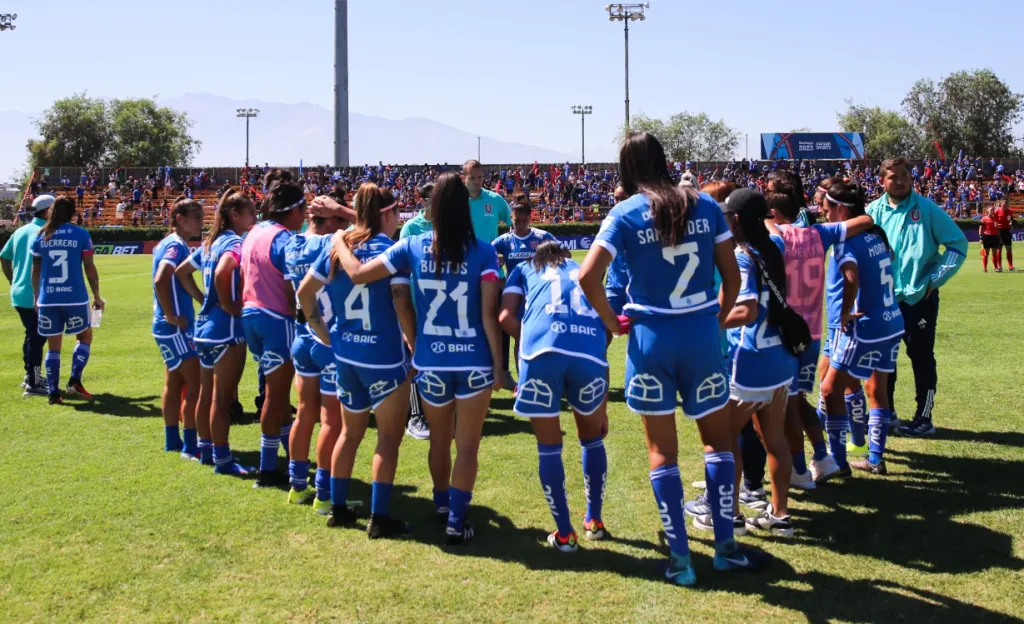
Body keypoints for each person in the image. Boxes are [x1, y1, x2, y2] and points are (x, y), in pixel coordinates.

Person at [579, 132, 757, 587]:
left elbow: (587, 276)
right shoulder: (705, 205)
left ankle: (680, 560)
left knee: (663, 452)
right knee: (717, 444)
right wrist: (715, 318)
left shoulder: (624, 213)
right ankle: (726, 549)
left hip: (650, 339)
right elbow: (732, 277)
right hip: (699, 334)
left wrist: (611, 322)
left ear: (627, 169)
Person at [332, 171, 504, 545]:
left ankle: (442, 503)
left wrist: (340, 240)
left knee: (439, 440)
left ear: (432, 208)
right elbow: (490, 316)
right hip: (473, 360)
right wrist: (499, 367)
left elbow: (359, 274)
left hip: (430, 362)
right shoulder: (485, 252)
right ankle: (457, 520)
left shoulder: (412, 246)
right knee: (468, 445)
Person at [300, 183, 415, 538]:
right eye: (397, 212)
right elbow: (400, 301)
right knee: (388, 440)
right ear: (387, 214)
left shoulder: (340, 249)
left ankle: (337, 508)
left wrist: (324, 333)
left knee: (349, 433)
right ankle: (379, 518)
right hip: (383, 357)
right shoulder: (393, 251)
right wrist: (415, 344)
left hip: (345, 356)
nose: (399, 219)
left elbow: (305, 293)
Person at [499, 241, 610, 552]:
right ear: (564, 256)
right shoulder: (584, 269)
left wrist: (534, 337)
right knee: (592, 439)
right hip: (589, 354)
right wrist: (604, 406)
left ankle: (565, 534)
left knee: (549, 447)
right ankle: (595, 521)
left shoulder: (523, 268)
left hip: (541, 353)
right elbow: (607, 328)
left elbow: (506, 317)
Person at [766, 173, 874, 486]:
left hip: (784, 334)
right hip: (812, 333)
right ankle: (822, 457)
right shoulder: (819, 234)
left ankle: (799, 468)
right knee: (799, 399)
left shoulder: (775, 237)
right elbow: (865, 220)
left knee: (786, 405)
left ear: (773, 214)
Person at [716, 189, 800, 537]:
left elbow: (747, 310)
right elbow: (774, 229)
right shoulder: (773, 246)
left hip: (751, 360)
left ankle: (728, 512)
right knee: (775, 439)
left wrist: (711, 320)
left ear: (737, 220)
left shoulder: (741, 255)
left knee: (723, 437)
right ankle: (779, 516)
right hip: (781, 356)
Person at [866, 158, 967, 437]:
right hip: (883, 301)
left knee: (921, 357)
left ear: (912, 177)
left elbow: (958, 244)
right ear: (881, 181)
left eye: (905, 175)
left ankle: (924, 418)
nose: (900, 181)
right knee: (885, 360)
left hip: (918, 300)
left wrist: (934, 281)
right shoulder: (872, 212)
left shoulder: (927, 209)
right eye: (893, 177)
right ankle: (887, 413)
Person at [820, 180, 904, 476]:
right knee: (876, 389)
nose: (822, 212)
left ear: (840, 210)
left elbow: (852, 278)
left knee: (830, 390)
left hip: (863, 325)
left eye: (825, 207)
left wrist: (844, 312)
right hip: (891, 321)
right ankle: (875, 458)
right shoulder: (875, 235)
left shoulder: (845, 241)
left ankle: (838, 463)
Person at [176, 191, 257, 473]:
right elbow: (225, 272)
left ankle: (206, 450)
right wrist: (227, 303)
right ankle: (223, 460)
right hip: (227, 331)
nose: (255, 217)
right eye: (251, 212)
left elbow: (182, 272)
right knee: (222, 400)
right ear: (235, 214)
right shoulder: (235, 242)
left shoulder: (210, 242)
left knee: (205, 394)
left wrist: (204, 300)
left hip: (204, 328)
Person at [282, 196, 347, 510]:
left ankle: (297, 486)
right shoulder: (329, 243)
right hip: (326, 338)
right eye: (338, 219)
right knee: (331, 421)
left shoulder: (291, 245)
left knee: (304, 411)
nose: (344, 224)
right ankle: (324, 494)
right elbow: (371, 224)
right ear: (329, 221)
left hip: (301, 337)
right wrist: (341, 209)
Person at [241, 182, 307, 488]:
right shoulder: (284, 238)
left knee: (275, 394)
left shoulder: (253, 231)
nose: (305, 216)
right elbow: (292, 286)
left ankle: (291, 457)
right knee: (276, 395)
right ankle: (268, 469)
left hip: (251, 315)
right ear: (293, 211)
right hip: (275, 317)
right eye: (303, 211)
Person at [30, 197, 103, 405]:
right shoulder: (80, 234)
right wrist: (97, 296)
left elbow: (35, 270)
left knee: (53, 347)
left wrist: (36, 297)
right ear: (73, 213)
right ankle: (74, 381)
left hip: (48, 299)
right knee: (85, 336)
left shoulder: (41, 235)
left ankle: (54, 392)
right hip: (75, 297)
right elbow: (89, 266)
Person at [151, 198, 206, 457]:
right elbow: (162, 278)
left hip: (164, 327)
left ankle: (172, 440)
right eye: (196, 217)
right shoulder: (175, 245)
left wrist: (201, 299)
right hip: (175, 327)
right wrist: (172, 315)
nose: (201, 222)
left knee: (173, 383)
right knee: (196, 384)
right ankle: (190, 446)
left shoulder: (167, 243)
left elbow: (180, 281)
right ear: (180, 219)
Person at [492, 194, 557, 388]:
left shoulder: (542, 237)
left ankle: (545, 378)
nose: (520, 224)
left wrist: (547, 262)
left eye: (524, 220)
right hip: (515, 299)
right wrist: (499, 268)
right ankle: (524, 382)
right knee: (520, 338)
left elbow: (564, 256)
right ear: (510, 218)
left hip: (539, 296)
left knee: (542, 338)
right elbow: (487, 259)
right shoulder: (503, 241)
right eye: (516, 220)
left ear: (530, 218)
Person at [1, 195, 53, 396]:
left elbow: (4, 258)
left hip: (19, 292)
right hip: (36, 294)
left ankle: (30, 376)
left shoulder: (21, 230)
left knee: (31, 335)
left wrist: (13, 280)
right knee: (37, 338)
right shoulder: (45, 232)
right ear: (48, 210)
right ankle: (34, 382)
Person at [395, 182, 435, 441]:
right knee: (415, 357)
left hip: (437, 304)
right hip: (415, 302)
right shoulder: (411, 228)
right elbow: (404, 267)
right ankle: (415, 416)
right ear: (424, 201)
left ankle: (432, 411)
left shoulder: (446, 225)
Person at [463, 159, 511, 249]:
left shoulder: (495, 199)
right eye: (472, 178)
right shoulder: (454, 200)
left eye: (480, 177)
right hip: (464, 259)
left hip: (489, 259)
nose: (477, 181)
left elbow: (513, 222)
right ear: (463, 178)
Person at [992, 199, 1015, 272]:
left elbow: (1011, 219)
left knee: (1009, 248)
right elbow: (993, 221)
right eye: (1004, 203)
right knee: (999, 249)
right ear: (1001, 204)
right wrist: (995, 226)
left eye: (1007, 203)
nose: (1005, 205)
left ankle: (1010, 266)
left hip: (1007, 231)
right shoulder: (997, 211)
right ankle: (999, 266)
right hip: (999, 231)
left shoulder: (1010, 211)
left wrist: (1011, 223)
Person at [980, 207, 1000, 273]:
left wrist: (998, 235)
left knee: (994, 253)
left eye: (993, 210)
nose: (992, 211)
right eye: (991, 210)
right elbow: (980, 228)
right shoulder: (984, 219)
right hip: (987, 237)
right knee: (986, 253)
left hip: (994, 237)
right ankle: (985, 268)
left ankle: (996, 268)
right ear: (988, 211)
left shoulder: (996, 218)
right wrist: (981, 237)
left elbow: (997, 228)